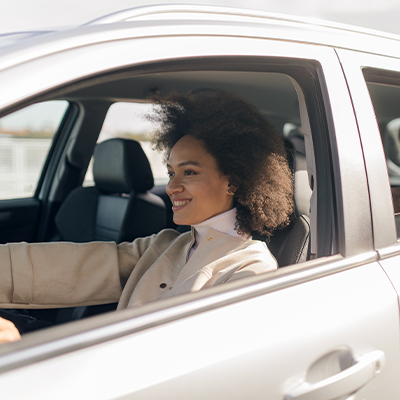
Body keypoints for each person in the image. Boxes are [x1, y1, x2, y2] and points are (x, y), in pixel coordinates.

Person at [0, 90, 294, 343]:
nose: (171, 186)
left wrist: (32, 350)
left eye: (189, 172)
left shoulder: (252, 269)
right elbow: (73, 266)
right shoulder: (167, 245)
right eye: (171, 172)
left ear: (233, 180)